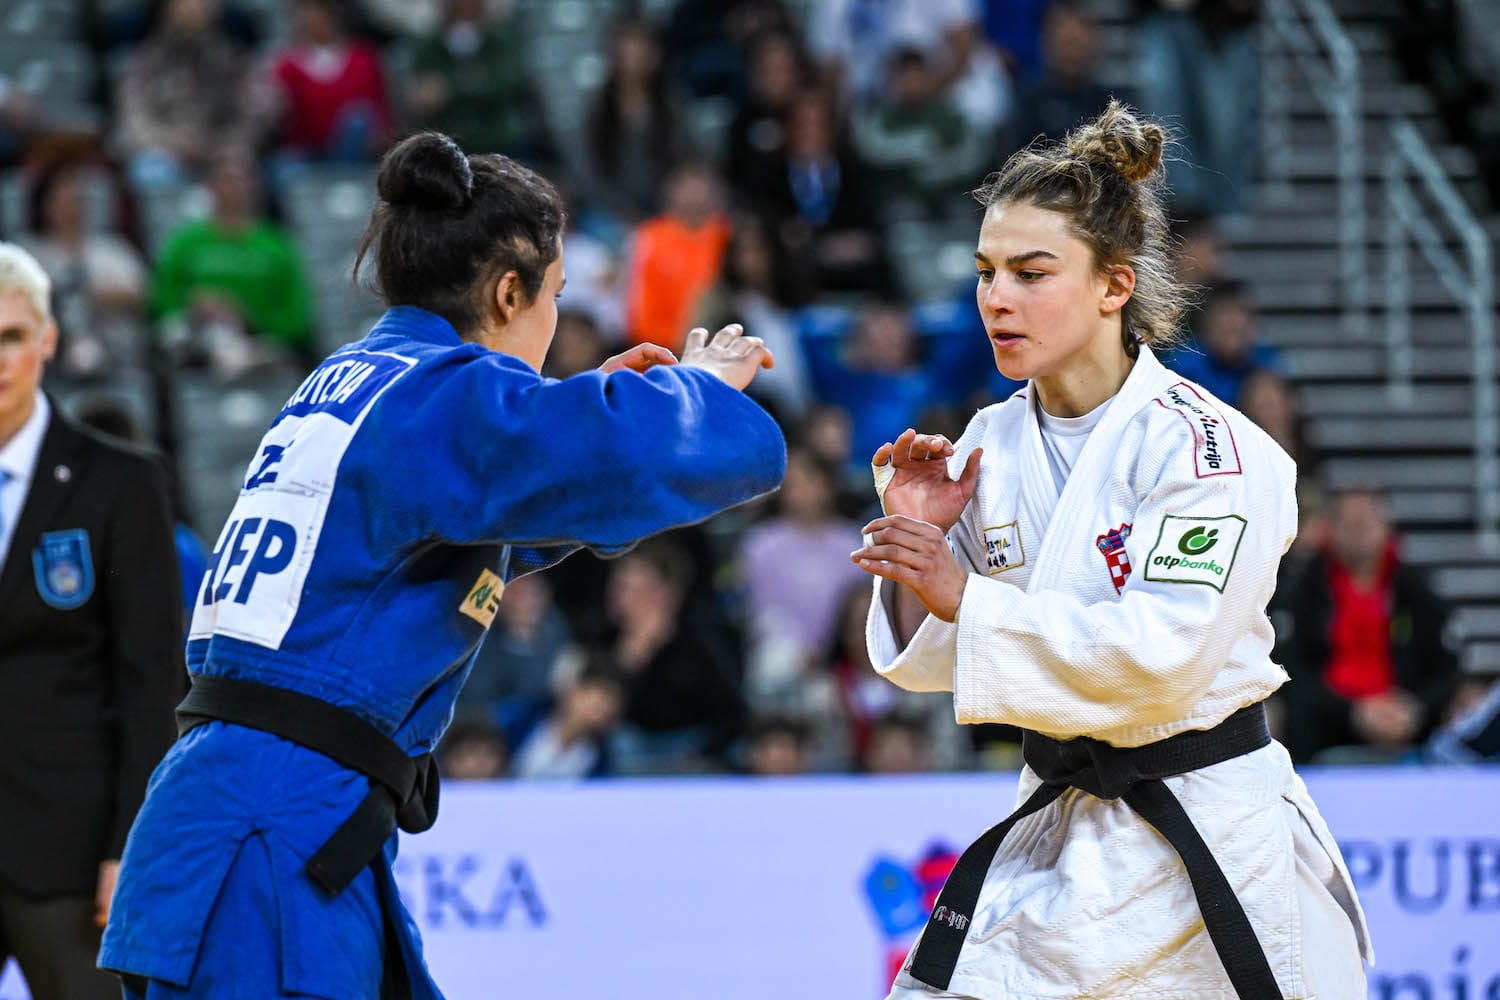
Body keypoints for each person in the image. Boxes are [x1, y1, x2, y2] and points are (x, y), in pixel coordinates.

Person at [100, 131, 785, 998]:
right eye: (555, 298)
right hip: (273, 826)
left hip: (250, 808)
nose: (554, 325)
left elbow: (497, 520)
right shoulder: (441, 395)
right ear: (508, 293)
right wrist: (699, 387)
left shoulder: (357, 376)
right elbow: (658, 456)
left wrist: (589, 410)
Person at [851, 102, 1370, 998]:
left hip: (1204, 839)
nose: (996, 298)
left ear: (1114, 287)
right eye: (985, 273)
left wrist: (963, 595)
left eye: (1030, 272)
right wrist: (919, 548)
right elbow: (935, 663)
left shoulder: (1209, 452)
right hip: (1058, 832)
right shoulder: (987, 444)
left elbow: (1163, 660)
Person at [0, 243, 182, 1000]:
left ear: (47, 340)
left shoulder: (120, 482)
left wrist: (130, 842)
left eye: (11, 336)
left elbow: (150, 679)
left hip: (71, 855)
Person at [1277, 487, 1462, 764]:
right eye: (1350, 525)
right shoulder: (1304, 590)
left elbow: (1447, 667)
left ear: (1386, 527)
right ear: (1331, 530)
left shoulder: (1417, 588)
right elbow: (1291, 669)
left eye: (1366, 524)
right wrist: (1352, 711)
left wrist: (1414, 707)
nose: (1359, 534)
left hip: (1407, 716)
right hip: (1327, 719)